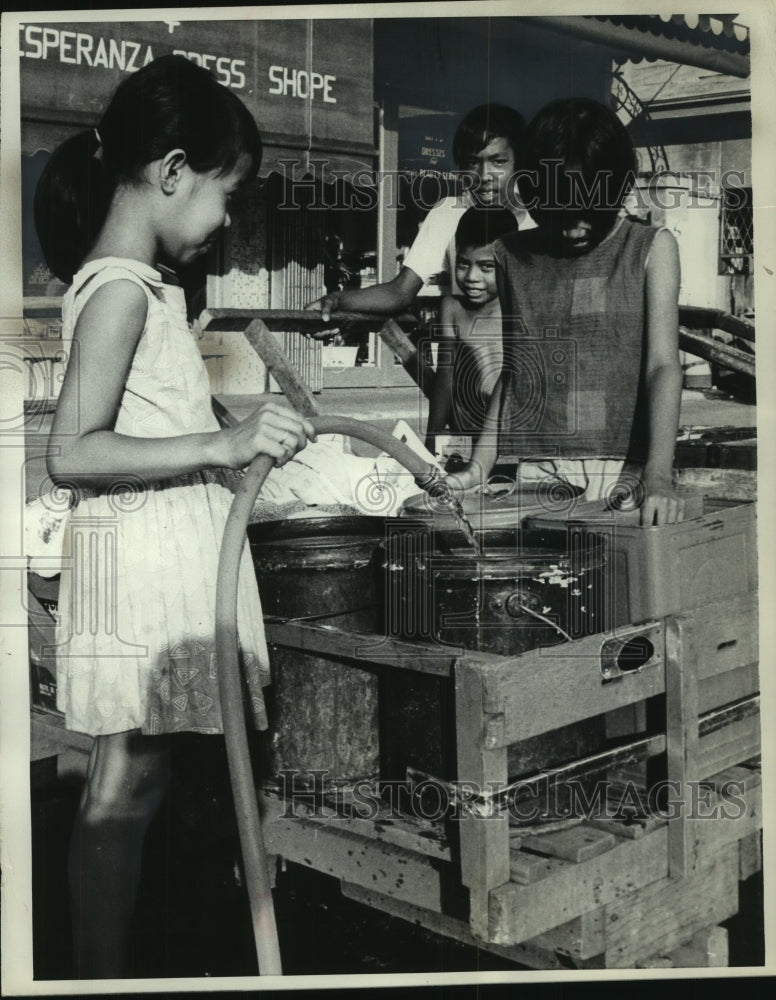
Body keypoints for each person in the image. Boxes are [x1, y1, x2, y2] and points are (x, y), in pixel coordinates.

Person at [34, 55, 314, 979]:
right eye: (227, 196)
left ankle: (102, 965)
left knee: (129, 785)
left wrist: (240, 431)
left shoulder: (143, 289)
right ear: (173, 171)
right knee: (126, 789)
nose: (228, 221)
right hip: (144, 566)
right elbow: (71, 450)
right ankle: (99, 976)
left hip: (156, 553)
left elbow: (161, 424)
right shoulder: (119, 287)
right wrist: (219, 449)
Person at [450, 98, 685, 527]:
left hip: (621, 467)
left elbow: (663, 366)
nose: (574, 228)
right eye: (560, 215)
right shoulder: (510, 255)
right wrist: (480, 465)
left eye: (586, 214)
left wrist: (658, 475)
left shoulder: (650, 248)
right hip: (536, 467)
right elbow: (516, 371)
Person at [309, 103, 532, 320]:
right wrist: (338, 300)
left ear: (518, 163)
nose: (484, 176)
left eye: (499, 162)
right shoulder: (448, 213)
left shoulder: (540, 219)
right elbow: (399, 292)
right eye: (472, 163)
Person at [424, 206, 518, 456]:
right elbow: (445, 376)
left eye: (486, 267)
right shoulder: (452, 308)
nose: (472, 277)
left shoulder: (518, 308)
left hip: (509, 434)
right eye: (464, 264)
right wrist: (431, 439)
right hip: (463, 433)